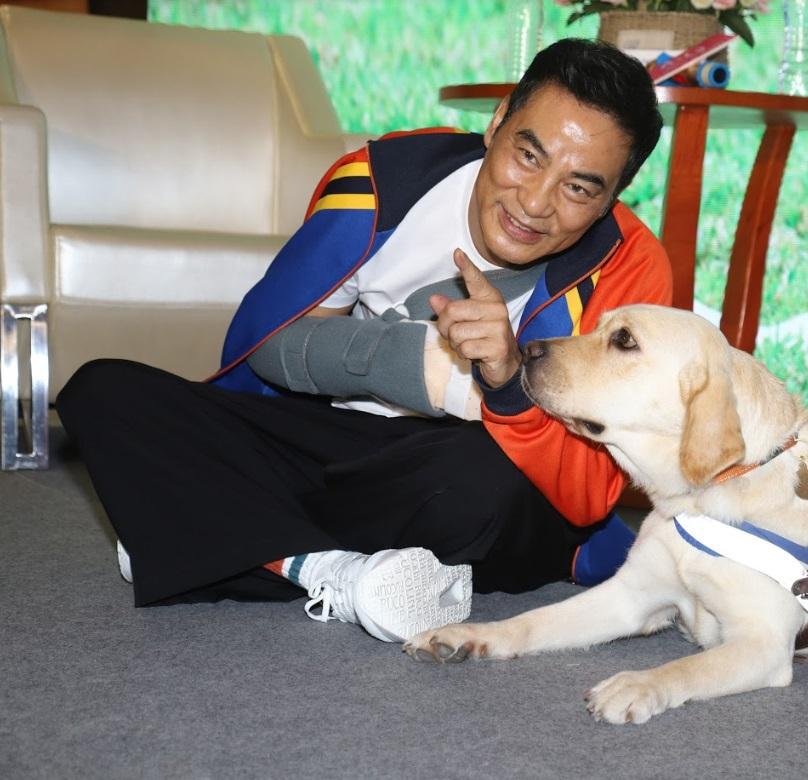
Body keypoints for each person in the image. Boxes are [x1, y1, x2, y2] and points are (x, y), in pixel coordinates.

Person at [56, 39, 672, 643]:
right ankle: (337, 571)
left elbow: (587, 490)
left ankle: (221, 536)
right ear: (496, 122)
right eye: (528, 155)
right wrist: (423, 367)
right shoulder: (385, 180)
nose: (534, 203)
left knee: (484, 486)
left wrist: (508, 382)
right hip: (341, 441)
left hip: (464, 468)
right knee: (104, 392)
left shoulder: (632, 270)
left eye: (578, 188)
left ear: (611, 201)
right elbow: (276, 346)